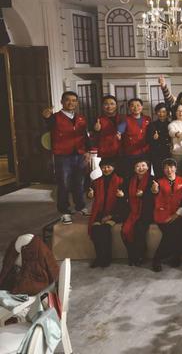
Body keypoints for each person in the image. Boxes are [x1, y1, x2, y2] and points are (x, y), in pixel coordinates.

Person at [42, 91, 90, 224]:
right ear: (62, 102)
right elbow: (48, 125)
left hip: (79, 154)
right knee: (63, 184)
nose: (71, 103)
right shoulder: (54, 117)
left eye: (74, 100)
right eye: (68, 100)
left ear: (77, 103)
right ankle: (64, 211)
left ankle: (80, 207)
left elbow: (85, 136)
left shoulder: (81, 118)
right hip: (63, 155)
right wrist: (46, 117)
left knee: (79, 183)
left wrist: (88, 151)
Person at [151, 159, 182, 272]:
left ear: (176, 168)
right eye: (166, 168)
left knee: (175, 230)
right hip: (163, 214)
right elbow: (155, 194)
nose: (169, 170)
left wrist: (177, 214)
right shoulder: (159, 182)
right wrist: (154, 190)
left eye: (171, 167)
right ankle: (158, 259)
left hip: (179, 213)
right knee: (170, 233)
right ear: (163, 170)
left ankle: (175, 256)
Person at [86, 158, 124, 268]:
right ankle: (99, 258)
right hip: (100, 212)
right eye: (103, 167)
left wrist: (122, 196)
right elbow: (90, 195)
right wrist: (90, 195)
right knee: (95, 230)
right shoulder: (96, 182)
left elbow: (123, 203)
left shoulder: (121, 181)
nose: (106, 169)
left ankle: (107, 258)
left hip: (115, 213)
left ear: (113, 167)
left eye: (108, 167)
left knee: (105, 229)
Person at [120, 158, 155, 267]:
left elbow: (155, 198)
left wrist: (144, 195)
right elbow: (125, 195)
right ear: (134, 169)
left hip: (147, 212)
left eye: (143, 165)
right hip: (132, 211)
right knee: (124, 231)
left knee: (139, 229)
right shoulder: (129, 179)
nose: (141, 168)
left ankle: (140, 256)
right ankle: (132, 255)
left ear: (148, 167)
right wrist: (122, 195)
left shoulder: (153, 180)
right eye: (138, 166)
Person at [91, 95, 122, 160]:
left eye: (112, 104)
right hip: (106, 153)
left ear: (116, 105)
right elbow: (93, 139)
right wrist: (96, 131)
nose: (109, 107)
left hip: (122, 152)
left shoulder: (123, 118)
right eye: (106, 104)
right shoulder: (98, 120)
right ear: (102, 106)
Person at [147, 103, 171, 178]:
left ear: (167, 113)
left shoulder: (170, 124)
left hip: (168, 152)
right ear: (156, 113)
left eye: (164, 112)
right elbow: (148, 140)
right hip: (156, 153)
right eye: (159, 112)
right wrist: (153, 138)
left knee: (168, 172)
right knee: (158, 173)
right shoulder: (152, 125)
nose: (161, 114)